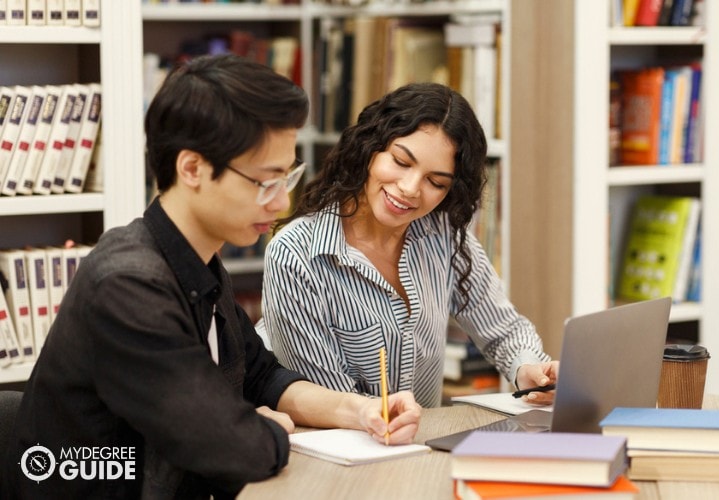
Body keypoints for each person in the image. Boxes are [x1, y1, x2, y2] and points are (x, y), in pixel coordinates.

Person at [1, 54, 421, 499]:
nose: (281, 202)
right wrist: (260, 429)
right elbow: (224, 445)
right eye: (265, 181)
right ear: (192, 169)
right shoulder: (128, 284)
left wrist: (362, 411)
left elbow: (264, 376)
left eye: (288, 176)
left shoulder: (196, 260)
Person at [256, 82, 559, 409]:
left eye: (436, 182)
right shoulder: (296, 254)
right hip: (340, 448)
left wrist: (528, 370)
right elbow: (330, 402)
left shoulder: (442, 232)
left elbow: (504, 330)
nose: (410, 189)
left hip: (417, 448)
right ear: (370, 150)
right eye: (401, 162)